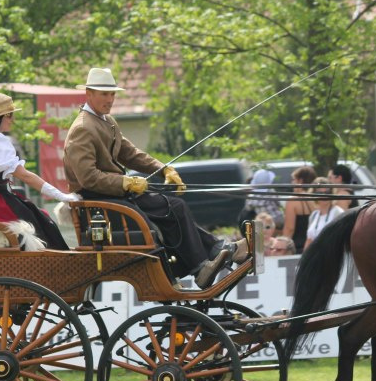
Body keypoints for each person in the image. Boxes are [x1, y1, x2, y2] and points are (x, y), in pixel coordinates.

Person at [63, 67, 246, 289]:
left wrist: (163, 169)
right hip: (98, 202)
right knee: (149, 224)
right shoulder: (82, 128)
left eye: (112, 94)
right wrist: (125, 182)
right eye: (104, 94)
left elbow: (130, 153)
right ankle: (196, 267)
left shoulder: (107, 121)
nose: (110, 99)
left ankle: (212, 252)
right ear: (89, 93)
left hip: (116, 195)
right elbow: (87, 177)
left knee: (174, 206)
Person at [0, 92, 75, 250]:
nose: (12, 119)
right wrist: (62, 196)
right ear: (2, 116)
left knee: (39, 215)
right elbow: (25, 176)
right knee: (45, 224)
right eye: (10, 115)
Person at [281, 165, 316, 254]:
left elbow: (289, 228)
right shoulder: (316, 199)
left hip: (297, 247)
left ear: (300, 181)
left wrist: (282, 247)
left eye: (293, 179)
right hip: (314, 245)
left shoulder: (293, 200)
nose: (292, 183)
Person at [303, 177, 344, 250]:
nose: (324, 195)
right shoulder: (314, 215)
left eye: (327, 192)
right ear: (314, 194)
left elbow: (341, 239)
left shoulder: (338, 212)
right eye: (320, 193)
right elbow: (309, 240)